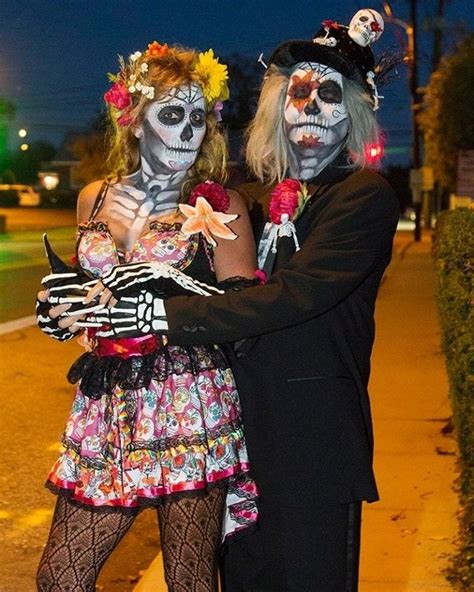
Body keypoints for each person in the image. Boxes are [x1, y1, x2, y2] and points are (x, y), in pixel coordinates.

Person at [74, 9, 400, 590]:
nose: (314, 110)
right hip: (236, 443)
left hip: (310, 447)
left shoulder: (362, 199)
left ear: (352, 114)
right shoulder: (247, 200)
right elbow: (185, 265)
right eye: (299, 94)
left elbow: (290, 298)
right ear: (276, 109)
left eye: (331, 95)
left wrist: (158, 317)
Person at [35, 41, 259, 592]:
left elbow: (243, 311)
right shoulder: (95, 196)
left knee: (189, 581)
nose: (187, 129)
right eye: (170, 114)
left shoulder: (217, 202)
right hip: (106, 401)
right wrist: (62, 314)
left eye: (197, 116)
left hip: (190, 398)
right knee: (59, 578)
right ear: (134, 122)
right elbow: (92, 298)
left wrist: (161, 311)